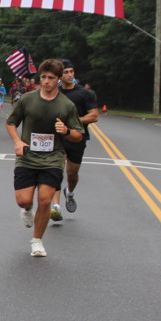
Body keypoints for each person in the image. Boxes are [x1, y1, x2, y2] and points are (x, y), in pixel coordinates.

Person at [5, 60, 84, 257]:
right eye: (43, 77)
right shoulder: (27, 99)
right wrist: (17, 141)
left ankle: (37, 240)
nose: (46, 81)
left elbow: (78, 135)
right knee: (23, 200)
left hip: (53, 158)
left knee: (45, 199)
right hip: (27, 156)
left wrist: (66, 131)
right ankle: (27, 209)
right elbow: (11, 122)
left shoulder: (67, 105)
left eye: (51, 78)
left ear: (58, 80)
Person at [49, 59, 99, 220]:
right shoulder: (54, 92)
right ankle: (56, 207)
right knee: (56, 170)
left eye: (71, 72)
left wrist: (74, 122)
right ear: (59, 75)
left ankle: (69, 192)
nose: (70, 75)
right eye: (66, 72)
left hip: (77, 137)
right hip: (58, 137)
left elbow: (94, 115)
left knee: (72, 174)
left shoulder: (84, 93)